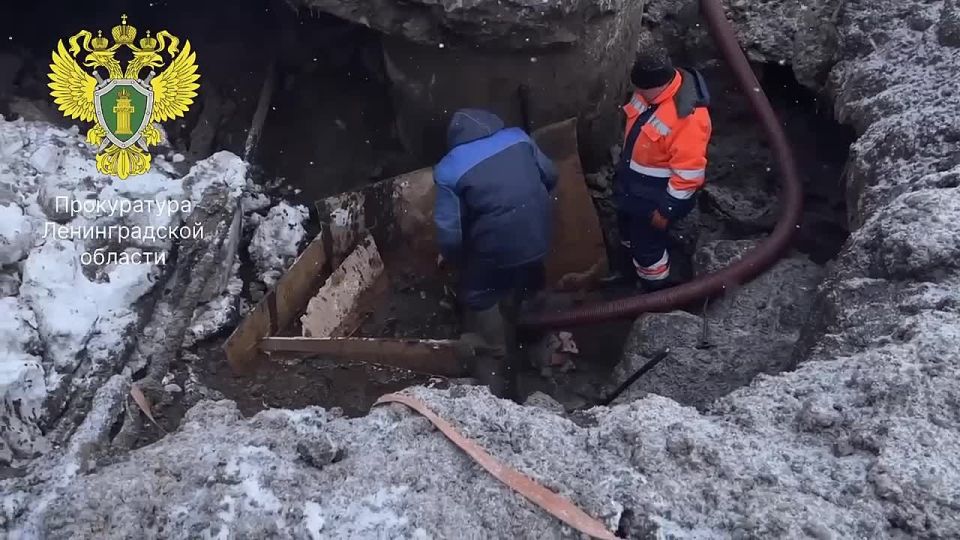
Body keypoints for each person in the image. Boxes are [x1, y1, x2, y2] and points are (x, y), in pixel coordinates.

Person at [432, 108, 558, 397]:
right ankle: (536, 333)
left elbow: (450, 230)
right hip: (540, 234)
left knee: (479, 296)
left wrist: (455, 258)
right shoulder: (518, 139)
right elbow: (551, 175)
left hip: (496, 249)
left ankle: (499, 377)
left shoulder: (449, 168)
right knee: (530, 277)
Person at [610, 34, 712, 291]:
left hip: (655, 197)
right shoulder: (649, 92)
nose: (638, 94)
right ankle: (627, 268)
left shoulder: (687, 118)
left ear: (659, 85)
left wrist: (666, 209)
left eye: (642, 90)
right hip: (632, 186)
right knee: (627, 232)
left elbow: (689, 175)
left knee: (648, 248)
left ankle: (655, 290)